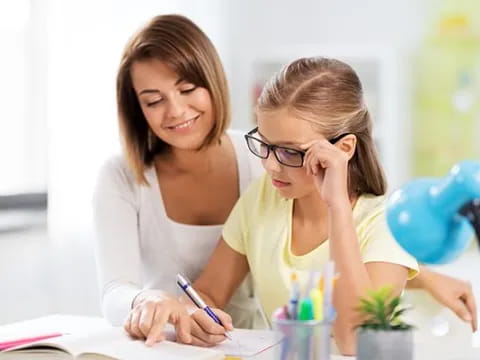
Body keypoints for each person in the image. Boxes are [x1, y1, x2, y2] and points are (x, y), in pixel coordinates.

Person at [95, 14, 477, 350]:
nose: (272, 166)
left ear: (343, 149)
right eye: (265, 144)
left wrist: (337, 209)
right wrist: (198, 313)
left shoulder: (379, 222)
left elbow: (351, 338)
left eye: (291, 152)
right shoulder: (266, 194)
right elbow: (211, 290)